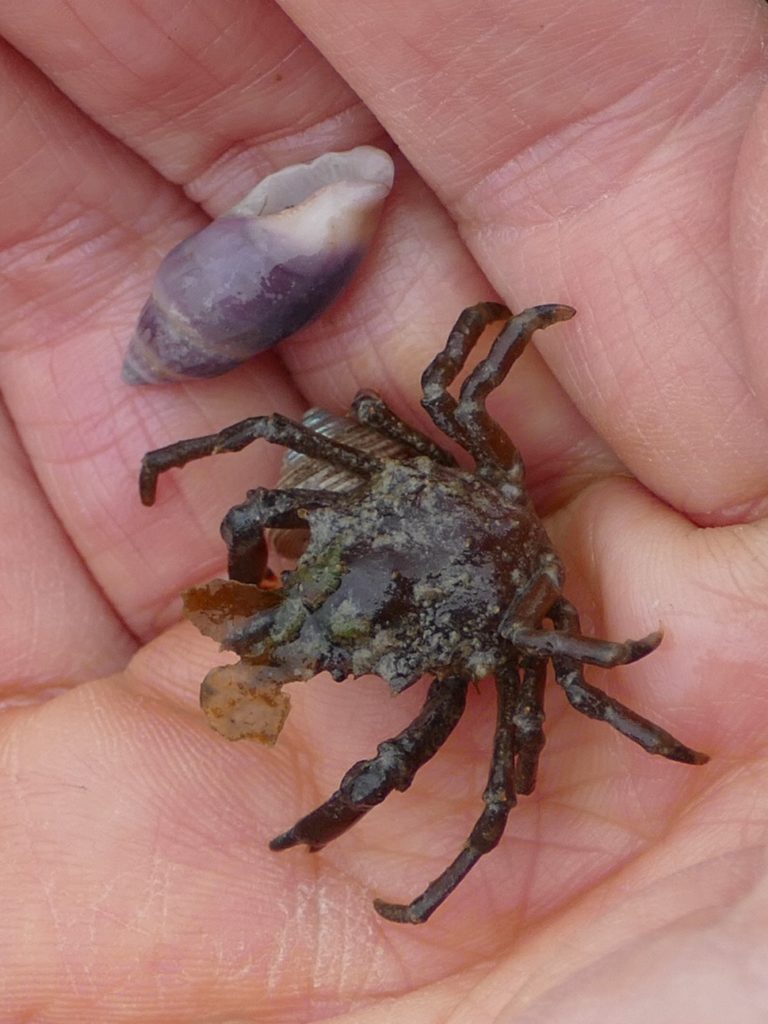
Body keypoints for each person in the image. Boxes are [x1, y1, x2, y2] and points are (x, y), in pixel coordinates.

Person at [0, 0, 766, 1019]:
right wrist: (253, 572)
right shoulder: (385, 532)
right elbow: (267, 481)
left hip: (435, 517)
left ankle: (351, 861)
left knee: (494, 761)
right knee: (275, 482)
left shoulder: (501, 632)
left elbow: (510, 777)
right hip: (407, 499)